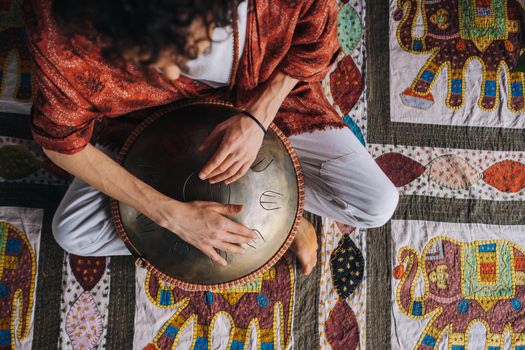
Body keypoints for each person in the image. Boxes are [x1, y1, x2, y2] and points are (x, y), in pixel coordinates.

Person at [24, 0, 399, 275]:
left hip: (261, 92)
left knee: (377, 204)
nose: (172, 68)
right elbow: (60, 141)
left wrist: (257, 116)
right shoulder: (60, 33)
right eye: (150, 57)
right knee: (72, 231)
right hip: (143, 118)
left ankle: (289, 209)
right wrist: (170, 215)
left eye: (188, 48)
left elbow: (316, 37)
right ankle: (258, 213)